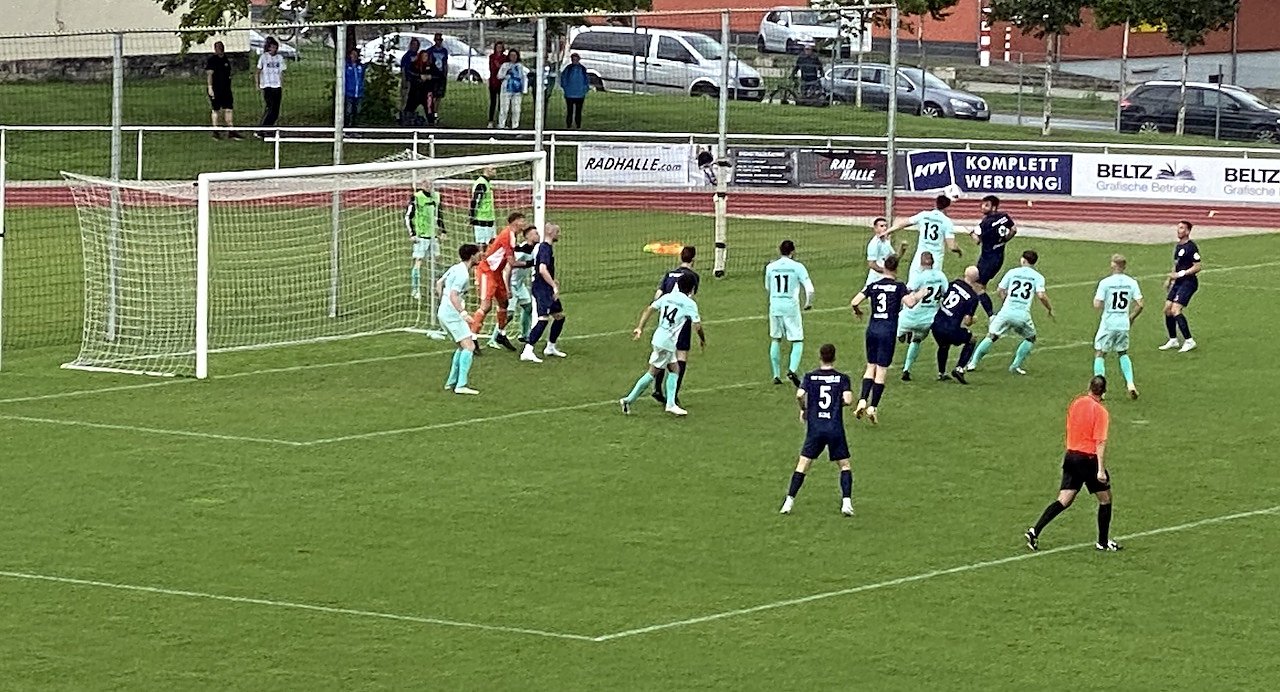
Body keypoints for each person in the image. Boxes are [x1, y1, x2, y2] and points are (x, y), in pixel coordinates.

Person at [1024, 376, 1122, 552]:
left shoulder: (1076, 403)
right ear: (1104, 392)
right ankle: (1103, 542)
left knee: (1064, 499)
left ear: (1089, 387)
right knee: (1105, 499)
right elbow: (1100, 442)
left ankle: (1034, 531)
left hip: (1071, 456)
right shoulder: (1101, 412)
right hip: (1088, 459)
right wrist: (1100, 470)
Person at [778, 343, 855, 517]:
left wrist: (804, 409)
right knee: (844, 465)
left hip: (815, 428)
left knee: (803, 465)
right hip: (834, 428)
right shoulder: (842, 378)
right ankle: (846, 503)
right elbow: (848, 400)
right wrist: (837, 403)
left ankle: (788, 502)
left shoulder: (810, 377)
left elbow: (799, 395)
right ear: (834, 358)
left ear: (820, 357)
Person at [849, 255, 926, 424]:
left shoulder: (873, 285)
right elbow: (910, 303)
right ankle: (872, 407)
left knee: (870, 366)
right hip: (887, 331)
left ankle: (862, 400)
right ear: (896, 269)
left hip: (872, 329)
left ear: (884, 267)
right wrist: (920, 294)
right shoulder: (899, 286)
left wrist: (858, 311)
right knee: (881, 370)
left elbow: (855, 301)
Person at [620, 272, 705, 417]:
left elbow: (650, 309)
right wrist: (702, 339)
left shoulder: (667, 297)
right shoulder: (689, 304)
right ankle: (629, 400)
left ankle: (669, 403)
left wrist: (640, 327)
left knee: (675, 369)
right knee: (652, 373)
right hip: (667, 342)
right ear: (692, 288)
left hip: (659, 337)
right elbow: (697, 326)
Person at [965, 250, 1055, 376]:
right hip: (1022, 315)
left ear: (1023, 260)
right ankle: (1015, 365)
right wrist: (1049, 308)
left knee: (991, 336)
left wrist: (1006, 300)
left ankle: (973, 363)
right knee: (1030, 338)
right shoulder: (1038, 277)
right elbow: (1041, 295)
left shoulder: (1012, 272)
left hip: (1006, 312)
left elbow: (1000, 290)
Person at [651, 246, 701, 406]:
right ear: (693, 259)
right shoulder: (693, 276)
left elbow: (658, 295)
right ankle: (674, 395)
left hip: (665, 319)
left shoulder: (669, 274)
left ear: (680, 257)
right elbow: (689, 298)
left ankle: (657, 388)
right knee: (681, 355)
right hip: (681, 321)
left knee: (663, 355)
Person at [469, 211, 526, 352]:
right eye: (522, 221)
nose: (524, 224)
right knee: (486, 306)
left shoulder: (512, 235)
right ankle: (472, 338)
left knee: (504, 302)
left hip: (496, 272)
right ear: (515, 222)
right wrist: (531, 263)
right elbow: (512, 262)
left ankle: (501, 334)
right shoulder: (507, 235)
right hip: (486, 271)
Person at [1093, 254, 1144, 400]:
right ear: (1124, 266)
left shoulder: (1105, 283)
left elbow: (1097, 304)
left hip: (1108, 323)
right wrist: (1131, 317)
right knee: (1122, 353)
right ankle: (1130, 384)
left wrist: (1105, 304)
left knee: (1100, 353)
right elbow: (1140, 304)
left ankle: (1100, 390)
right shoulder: (1132, 282)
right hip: (1123, 323)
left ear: (1113, 265)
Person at [765, 240, 815, 388]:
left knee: (776, 338)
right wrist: (808, 303)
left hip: (775, 305)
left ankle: (776, 374)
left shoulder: (770, 267)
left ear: (779, 250)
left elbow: (768, 286)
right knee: (797, 339)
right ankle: (792, 370)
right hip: (790, 306)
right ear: (792, 252)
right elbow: (810, 289)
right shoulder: (798, 267)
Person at [437, 244, 484, 396]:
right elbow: (453, 295)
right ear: (472, 256)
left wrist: (442, 303)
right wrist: (463, 313)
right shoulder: (463, 274)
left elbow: (439, 283)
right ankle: (461, 385)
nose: (481, 255)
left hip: (444, 311)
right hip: (452, 314)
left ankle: (451, 382)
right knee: (469, 347)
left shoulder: (455, 268)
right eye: (478, 253)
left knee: (462, 346)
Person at [897, 251, 948, 382]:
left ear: (920, 263)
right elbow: (945, 293)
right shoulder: (941, 275)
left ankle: (901, 334)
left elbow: (906, 292)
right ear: (933, 262)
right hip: (929, 319)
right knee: (917, 340)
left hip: (911, 316)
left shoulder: (918, 276)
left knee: (892, 327)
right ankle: (906, 369)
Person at [521, 224, 568, 363]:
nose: (559, 235)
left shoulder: (546, 247)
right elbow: (542, 269)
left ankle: (550, 347)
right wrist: (553, 286)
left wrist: (553, 281)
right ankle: (527, 350)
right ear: (551, 232)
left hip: (546, 287)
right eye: (558, 232)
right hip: (542, 288)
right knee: (543, 318)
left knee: (559, 317)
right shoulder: (545, 248)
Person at [931, 265, 983, 384]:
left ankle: (941, 373)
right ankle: (959, 368)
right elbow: (967, 322)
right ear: (977, 279)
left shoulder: (954, 283)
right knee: (971, 339)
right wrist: (973, 320)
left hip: (937, 324)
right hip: (950, 329)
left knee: (943, 345)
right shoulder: (973, 297)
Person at [891, 195, 962, 280]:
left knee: (913, 281)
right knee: (931, 282)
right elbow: (952, 246)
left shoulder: (924, 215)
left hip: (920, 255)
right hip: (935, 258)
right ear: (947, 207)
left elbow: (903, 223)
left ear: (935, 204)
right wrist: (959, 250)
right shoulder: (946, 222)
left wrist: (887, 231)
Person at [1160, 220, 1202, 352]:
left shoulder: (1191, 247)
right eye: (1178, 228)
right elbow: (1176, 265)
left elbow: (1197, 266)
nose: (1179, 230)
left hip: (1188, 282)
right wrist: (1170, 279)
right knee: (1167, 309)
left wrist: (1181, 274)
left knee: (1175, 309)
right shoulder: (1178, 246)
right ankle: (1173, 340)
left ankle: (1189, 341)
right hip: (1178, 282)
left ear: (1188, 231)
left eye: (1182, 228)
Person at [404, 185, 446, 301]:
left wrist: (443, 230)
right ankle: (415, 290)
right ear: (422, 185)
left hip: (433, 236)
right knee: (419, 262)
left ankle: (436, 288)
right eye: (426, 183)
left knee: (437, 260)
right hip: (421, 236)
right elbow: (408, 217)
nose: (429, 186)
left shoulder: (436, 196)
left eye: (431, 183)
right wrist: (412, 233)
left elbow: (439, 215)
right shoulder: (416, 197)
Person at [972, 195, 1018, 286]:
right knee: (982, 282)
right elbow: (1013, 229)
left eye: (986, 205)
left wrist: (972, 234)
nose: (983, 207)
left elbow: (977, 240)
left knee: (978, 284)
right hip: (999, 256)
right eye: (982, 204)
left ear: (993, 207)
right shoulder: (1004, 216)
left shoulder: (986, 223)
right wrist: (1005, 240)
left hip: (987, 258)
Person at [508, 226, 539, 343]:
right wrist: (530, 263)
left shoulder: (533, 248)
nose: (538, 236)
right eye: (535, 234)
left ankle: (524, 334)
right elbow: (512, 263)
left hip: (520, 284)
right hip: (511, 283)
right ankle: (496, 336)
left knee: (528, 307)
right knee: (509, 314)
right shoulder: (521, 250)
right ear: (528, 236)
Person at [204, 41, 241, 140]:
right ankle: (215, 131)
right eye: (218, 47)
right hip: (216, 88)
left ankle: (231, 130)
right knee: (216, 109)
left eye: (221, 47)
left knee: (228, 108)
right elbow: (209, 75)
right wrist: (210, 87)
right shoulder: (212, 60)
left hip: (226, 89)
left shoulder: (226, 59)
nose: (220, 49)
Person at [864, 216, 909, 288]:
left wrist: (902, 249)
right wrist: (886, 271)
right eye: (882, 226)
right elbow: (871, 264)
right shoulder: (874, 244)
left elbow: (894, 258)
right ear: (875, 228)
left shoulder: (886, 242)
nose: (885, 228)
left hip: (886, 277)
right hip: (876, 278)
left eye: (886, 226)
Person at [255, 36, 286, 139]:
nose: (274, 49)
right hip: (267, 86)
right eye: (272, 47)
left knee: (276, 110)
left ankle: (268, 128)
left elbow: (281, 72)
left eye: (275, 47)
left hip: (277, 86)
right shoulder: (264, 57)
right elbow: (258, 71)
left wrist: (281, 84)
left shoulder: (279, 58)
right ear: (269, 47)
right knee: (270, 108)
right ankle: (261, 129)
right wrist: (258, 84)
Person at [496, 49, 529, 130]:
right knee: (504, 108)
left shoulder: (520, 66)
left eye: (515, 56)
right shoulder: (505, 65)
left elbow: (524, 77)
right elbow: (499, 76)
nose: (513, 57)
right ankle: (501, 125)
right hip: (506, 89)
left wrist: (524, 89)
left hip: (517, 90)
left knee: (516, 109)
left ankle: (515, 125)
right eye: (511, 55)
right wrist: (506, 73)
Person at [560, 52, 590, 129]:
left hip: (580, 94)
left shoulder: (582, 69)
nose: (575, 61)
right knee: (569, 111)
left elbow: (586, 80)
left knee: (578, 111)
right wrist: (566, 88)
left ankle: (578, 126)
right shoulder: (568, 69)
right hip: (569, 94)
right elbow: (563, 79)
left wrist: (584, 89)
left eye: (576, 59)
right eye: (573, 59)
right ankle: (569, 125)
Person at [469, 166, 497, 245]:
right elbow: (475, 200)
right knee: (483, 244)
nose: (495, 171)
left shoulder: (487, 183)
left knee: (491, 243)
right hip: (481, 218)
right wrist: (471, 216)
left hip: (488, 217)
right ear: (486, 170)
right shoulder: (481, 183)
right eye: (493, 169)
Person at [426, 33, 450, 124]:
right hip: (433, 75)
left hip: (441, 76)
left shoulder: (444, 51)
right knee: (432, 96)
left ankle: (435, 113)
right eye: (437, 40)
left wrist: (445, 74)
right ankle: (431, 113)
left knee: (439, 96)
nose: (438, 42)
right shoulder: (430, 51)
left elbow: (445, 63)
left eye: (440, 40)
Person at [400, 37, 422, 123]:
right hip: (408, 80)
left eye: (416, 45)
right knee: (405, 99)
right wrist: (404, 81)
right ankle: (403, 115)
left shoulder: (418, 56)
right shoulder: (406, 56)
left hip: (416, 82)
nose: (415, 47)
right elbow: (403, 69)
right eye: (413, 45)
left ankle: (410, 115)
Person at [343, 48, 366, 128]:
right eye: (353, 54)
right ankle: (347, 128)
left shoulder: (360, 66)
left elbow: (362, 78)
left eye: (356, 54)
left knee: (357, 111)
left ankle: (355, 127)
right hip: (349, 93)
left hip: (359, 93)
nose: (354, 56)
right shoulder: (346, 66)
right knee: (348, 111)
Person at [487, 41, 508, 128]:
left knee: (502, 103)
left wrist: (500, 67)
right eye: (497, 47)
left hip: (502, 83)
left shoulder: (505, 58)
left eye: (500, 47)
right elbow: (493, 68)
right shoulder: (492, 57)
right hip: (493, 82)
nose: (499, 49)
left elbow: (505, 69)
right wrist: (499, 67)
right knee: (493, 102)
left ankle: (501, 121)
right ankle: (490, 121)